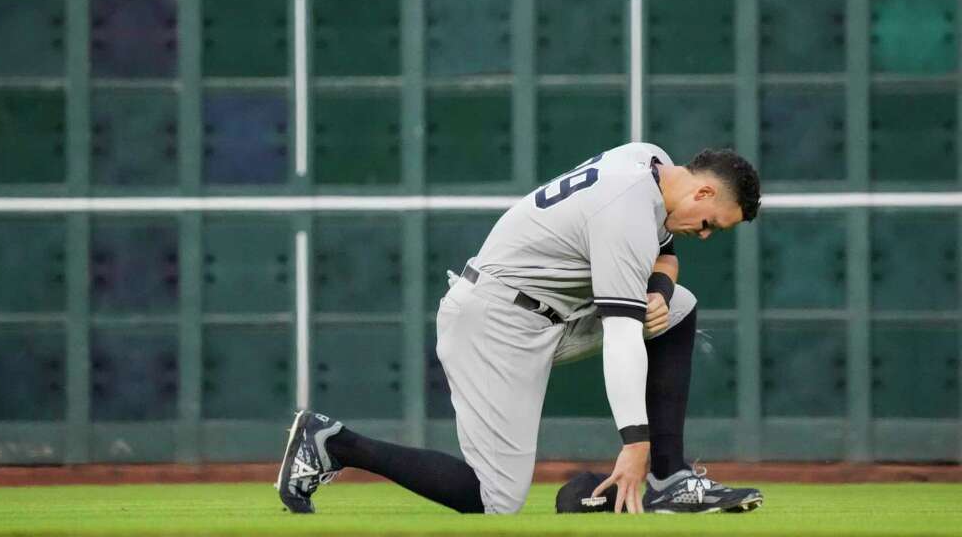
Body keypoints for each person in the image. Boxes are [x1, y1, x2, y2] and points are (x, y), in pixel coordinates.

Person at [276, 143, 764, 515]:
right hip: (494, 323)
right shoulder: (625, 208)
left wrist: (657, 290)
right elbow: (620, 339)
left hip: (548, 315)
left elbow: (662, 254)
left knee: (676, 306)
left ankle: (667, 478)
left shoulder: (649, 160)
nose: (703, 233)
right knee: (493, 500)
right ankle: (332, 443)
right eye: (710, 223)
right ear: (703, 192)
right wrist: (635, 446)